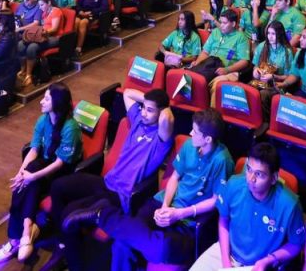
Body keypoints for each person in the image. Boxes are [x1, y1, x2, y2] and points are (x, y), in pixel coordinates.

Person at [63, 110, 233, 271]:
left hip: (188, 221)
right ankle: (110, 218)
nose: (190, 133)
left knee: (160, 249)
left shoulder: (222, 160)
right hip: (161, 203)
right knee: (122, 245)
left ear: (208, 139)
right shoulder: (189, 145)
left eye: (195, 132)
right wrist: (166, 206)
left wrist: (179, 214)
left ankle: (103, 215)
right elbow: (174, 177)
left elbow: (216, 200)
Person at [44, 88, 173, 271]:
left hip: (121, 195)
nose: (144, 112)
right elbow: (127, 93)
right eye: (143, 108)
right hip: (106, 182)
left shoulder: (161, 139)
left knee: (69, 214)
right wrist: (149, 102)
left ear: (161, 112)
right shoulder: (137, 120)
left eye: (150, 110)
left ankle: (74, 264)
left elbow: (167, 118)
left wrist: (163, 106)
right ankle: (64, 246)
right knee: (58, 186)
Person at [0, 83, 81, 264]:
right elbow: (34, 149)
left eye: (46, 99)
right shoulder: (43, 120)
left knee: (30, 179)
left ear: (57, 103)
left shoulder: (70, 127)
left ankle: (17, 239)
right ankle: (24, 234)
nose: (41, 102)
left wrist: (31, 176)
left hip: (64, 172)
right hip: (46, 162)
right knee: (23, 181)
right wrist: (21, 172)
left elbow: (60, 163)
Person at [189, 142, 305, 271]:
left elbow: (296, 244)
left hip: (260, 265)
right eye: (249, 169)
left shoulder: (289, 204)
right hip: (227, 252)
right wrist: (226, 263)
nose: (251, 178)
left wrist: (270, 260)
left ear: (274, 178)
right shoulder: (233, 185)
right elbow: (223, 220)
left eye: (259, 174)